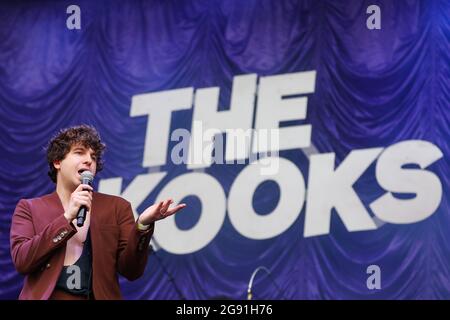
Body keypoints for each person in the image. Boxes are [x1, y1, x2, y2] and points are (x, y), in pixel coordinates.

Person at [10, 125, 186, 300]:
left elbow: (132, 271)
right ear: (57, 162)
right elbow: (23, 261)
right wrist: (66, 218)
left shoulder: (116, 207)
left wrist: (143, 225)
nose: (89, 160)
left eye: (93, 157)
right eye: (79, 152)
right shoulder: (29, 208)